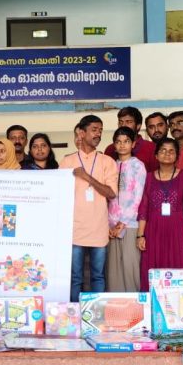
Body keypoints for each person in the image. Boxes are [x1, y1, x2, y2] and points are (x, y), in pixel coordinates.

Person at [59, 115, 118, 301]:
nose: (98, 134)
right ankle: (75, 315)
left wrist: (87, 177)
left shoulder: (107, 161)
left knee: (98, 276)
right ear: (81, 133)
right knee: (75, 277)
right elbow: (60, 195)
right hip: (74, 228)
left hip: (99, 228)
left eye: (100, 130)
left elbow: (111, 193)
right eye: (94, 129)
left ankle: (97, 314)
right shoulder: (67, 161)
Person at [137, 139, 183, 292]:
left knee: (178, 269)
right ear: (156, 155)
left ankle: (180, 311)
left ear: (177, 156)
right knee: (152, 269)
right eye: (163, 150)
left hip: (177, 229)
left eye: (171, 151)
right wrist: (140, 235)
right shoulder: (149, 177)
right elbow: (143, 207)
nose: (167, 154)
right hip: (153, 230)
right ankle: (154, 309)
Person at [106, 127, 146, 292]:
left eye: (126, 141)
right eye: (118, 142)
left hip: (129, 224)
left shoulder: (138, 166)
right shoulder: (111, 166)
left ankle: (135, 308)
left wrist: (122, 222)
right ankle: (117, 307)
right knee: (113, 270)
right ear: (114, 145)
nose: (122, 145)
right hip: (111, 225)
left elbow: (138, 197)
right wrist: (109, 224)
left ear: (133, 144)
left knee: (131, 268)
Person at [105, 107, 157, 172]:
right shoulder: (110, 149)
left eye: (128, 122)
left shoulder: (152, 148)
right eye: (120, 122)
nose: (123, 125)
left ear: (138, 126)